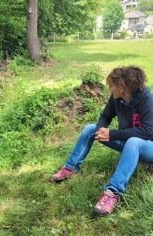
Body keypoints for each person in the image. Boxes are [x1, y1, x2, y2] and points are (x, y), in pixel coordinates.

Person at [50, 66, 153, 216]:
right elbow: (105, 116)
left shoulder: (147, 99)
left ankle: (113, 192)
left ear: (121, 87)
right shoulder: (117, 98)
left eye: (110, 85)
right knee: (89, 128)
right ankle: (71, 167)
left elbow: (149, 131)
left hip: (147, 146)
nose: (109, 89)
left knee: (133, 141)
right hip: (128, 141)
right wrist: (101, 130)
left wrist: (114, 134)